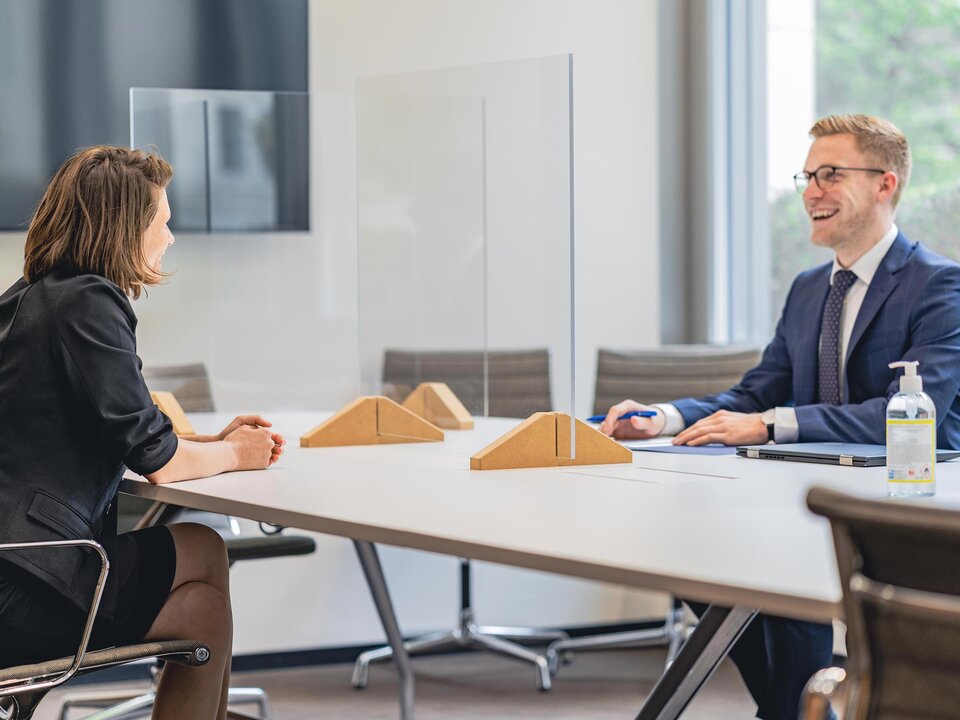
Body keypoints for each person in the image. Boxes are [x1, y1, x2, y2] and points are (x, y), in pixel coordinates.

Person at [600, 114, 960, 719]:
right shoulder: (807, 288)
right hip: (797, 492)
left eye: (830, 174)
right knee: (689, 557)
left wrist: (773, 424)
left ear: (884, 184)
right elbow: (753, 393)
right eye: (807, 176)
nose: (811, 191)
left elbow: (908, 416)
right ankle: (798, 707)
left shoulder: (939, 285)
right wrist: (661, 417)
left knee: (774, 585)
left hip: (899, 500)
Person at [0, 146, 285, 720]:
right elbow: (159, 462)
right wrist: (240, 453)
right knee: (205, 554)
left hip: (16, 567)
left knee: (204, 603)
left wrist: (211, 443)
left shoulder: (28, 299)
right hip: (29, 584)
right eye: (164, 222)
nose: (170, 238)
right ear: (125, 227)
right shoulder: (88, 300)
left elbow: (119, 429)